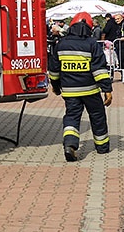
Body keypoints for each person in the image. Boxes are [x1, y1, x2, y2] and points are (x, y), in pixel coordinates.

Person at [47, 11, 113, 162]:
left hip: (70, 91)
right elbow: (100, 70)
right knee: (97, 116)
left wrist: (56, 87)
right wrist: (107, 90)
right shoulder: (91, 44)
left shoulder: (61, 44)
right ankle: (102, 147)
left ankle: (70, 145)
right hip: (90, 90)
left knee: (72, 117)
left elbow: (54, 69)